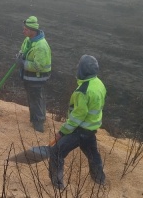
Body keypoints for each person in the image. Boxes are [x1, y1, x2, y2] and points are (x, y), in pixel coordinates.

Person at [49, 55, 106, 189]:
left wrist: (62, 132)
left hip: (79, 131)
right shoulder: (98, 83)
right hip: (91, 130)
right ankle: (100, 179)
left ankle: (57, 185)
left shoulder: (83, 91)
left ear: (82, 70)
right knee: (93, 154)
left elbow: (77, 117)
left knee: (56, 152)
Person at [16, 16, 52, 132]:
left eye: (25, 29)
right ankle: (39, 118)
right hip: (29, 77)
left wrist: (23, 63)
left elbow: (38, 66)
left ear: (32, 31)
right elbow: (23, 51)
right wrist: (19, 56)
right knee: (34, 98)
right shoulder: (28, 40)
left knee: (36, 99)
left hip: (37, 79)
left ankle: (38, 124)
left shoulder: (41, 46)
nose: (23, 31)